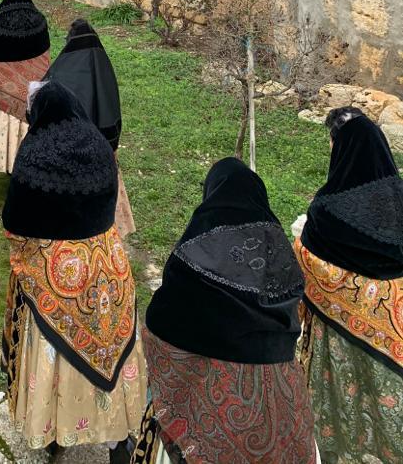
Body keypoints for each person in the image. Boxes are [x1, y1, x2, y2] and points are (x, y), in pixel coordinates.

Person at [133, 157, 318, 464]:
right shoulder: (281, 251)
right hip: (278, 405)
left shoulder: (193, 252)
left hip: (202, 402)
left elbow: (160, 321)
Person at [1, 80, 147, 462]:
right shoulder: (100, 147)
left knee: (58, 353)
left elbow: (15, 220)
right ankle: (118, 441)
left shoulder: (33, 153)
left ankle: (55, 433)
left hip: (55, 269)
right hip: (106, 261)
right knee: (111, 344)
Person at [294, 108, 403, 462]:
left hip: (338, 345)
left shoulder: (326, 213)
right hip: (396, 344)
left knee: (346, 415)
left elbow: (307, 263)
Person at [46, 19, 135, 238]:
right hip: (102, 152)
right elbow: (111, 107)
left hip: (68, 153)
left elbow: (43, 101)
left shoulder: (61, 68)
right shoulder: (104, 67)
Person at [0, 0, 50, 173]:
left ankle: (8, 164)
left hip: (4, 103)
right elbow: (45, 57)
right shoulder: (40, 24)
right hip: (35, 95)